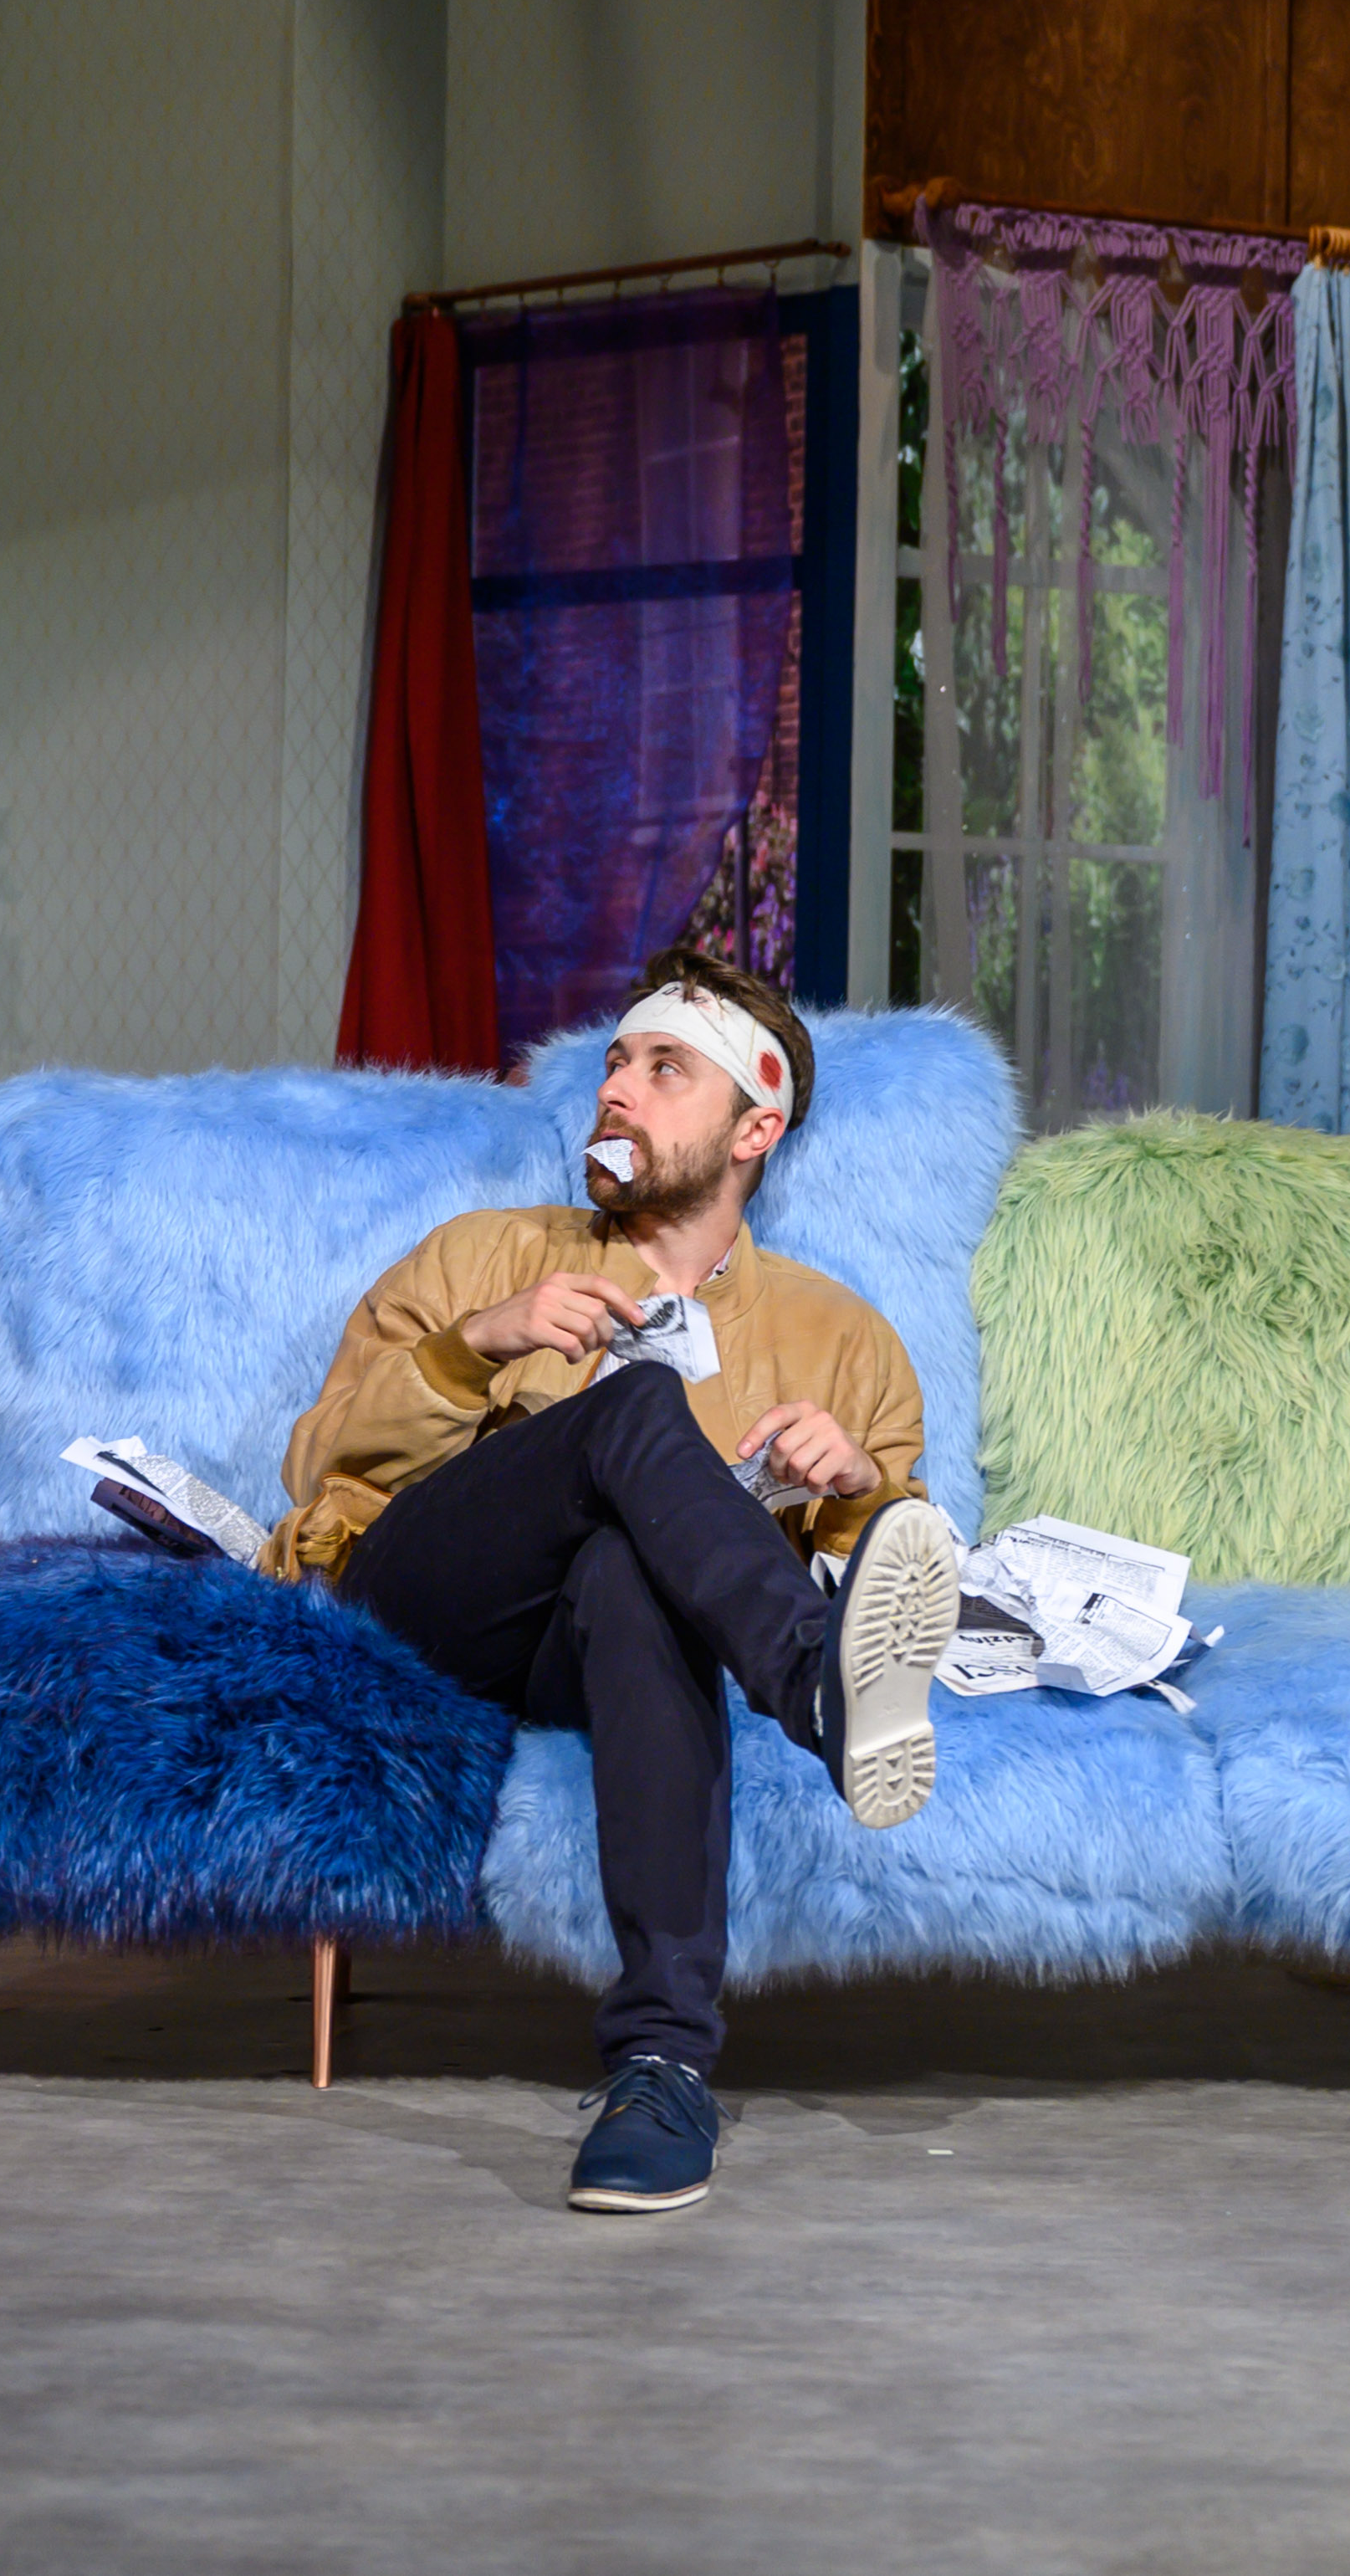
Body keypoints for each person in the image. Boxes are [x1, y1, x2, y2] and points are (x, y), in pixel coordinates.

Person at [267, 949, 964, 2214]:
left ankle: (661, 2069)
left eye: (664, 1069)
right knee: (636, 1406)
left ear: (756, 1128)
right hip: (420, 1611)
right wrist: (476, 1346)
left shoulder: (841, 1338)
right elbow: (319, 1461)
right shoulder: (487, 1255)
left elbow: (899, 1579)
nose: (616, 1090)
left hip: (588, 1649)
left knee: (630, 1570)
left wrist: (858, 1485)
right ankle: (812, 1687)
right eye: (615, 1063)